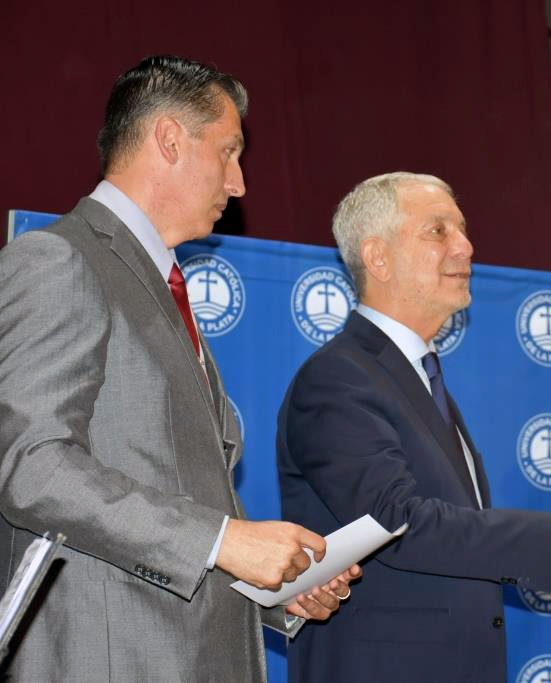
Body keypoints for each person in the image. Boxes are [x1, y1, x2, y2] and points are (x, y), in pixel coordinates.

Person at [0, 56, 355, 682]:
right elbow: (34, 466)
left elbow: (179, 495)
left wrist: (270, 586)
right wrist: (225, 542)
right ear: (169, 139)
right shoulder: (59, 260)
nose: (240, 182)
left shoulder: (160, 287)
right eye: (229, 151)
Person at [277, 172, 551, 682]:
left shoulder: (417, 378)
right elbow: (398, 523)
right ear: (377, 257)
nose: (465, 247)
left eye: (461, 230)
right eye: (438, 231)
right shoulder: (338, 377)